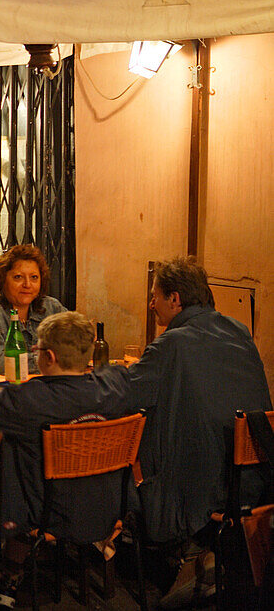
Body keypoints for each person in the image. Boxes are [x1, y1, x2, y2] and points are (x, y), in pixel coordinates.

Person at [126, 257, 269, 603]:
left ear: (175, 300)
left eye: (155, 295)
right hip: (255, 479)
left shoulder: (170, 345)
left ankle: (174, 554)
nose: (150, 304)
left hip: (202, 491)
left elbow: (128, 395)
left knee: (130, 448)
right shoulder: (239, 331)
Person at [0, 311, 132, 543]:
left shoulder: (34, 399)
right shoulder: (112, 389)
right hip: (105, 510)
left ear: (49, 357)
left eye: (38, 350)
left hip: (46, 516)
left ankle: (4, 562)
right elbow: (117, 372)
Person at [0, 244, 66, 374]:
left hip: (41, 388)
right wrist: (52, 359)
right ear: (2, 281)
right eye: (18, 277)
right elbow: (1, 365)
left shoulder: (51, 307)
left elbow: (78, 343)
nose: (27, 285)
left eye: (34, 277)